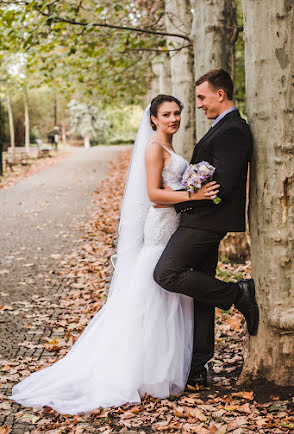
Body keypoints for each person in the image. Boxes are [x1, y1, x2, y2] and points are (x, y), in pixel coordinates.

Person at [9, 95, 219, 415]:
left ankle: (160, 366)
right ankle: (135, 368)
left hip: (175, 226)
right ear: (153, 119)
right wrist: (194, 194)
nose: (173, 119)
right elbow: (154, 196)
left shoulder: (170, 148)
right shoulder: (154, 149)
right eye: (166, 114)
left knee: (168, 295)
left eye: (177, 113)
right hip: (161, 226)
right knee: (152, 291)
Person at [154, 69, 259, 389]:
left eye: (202, 97)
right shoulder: (221, 128)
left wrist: (185, 200)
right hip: (200, 218)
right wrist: (187, 187)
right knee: (200, 295)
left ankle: (238, 294)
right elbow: (205, 174)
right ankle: (198, 368)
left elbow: (222, 185)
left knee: (166, 274)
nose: (198, 104)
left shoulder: (233, 130)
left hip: (206, 222)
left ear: (220, 95)